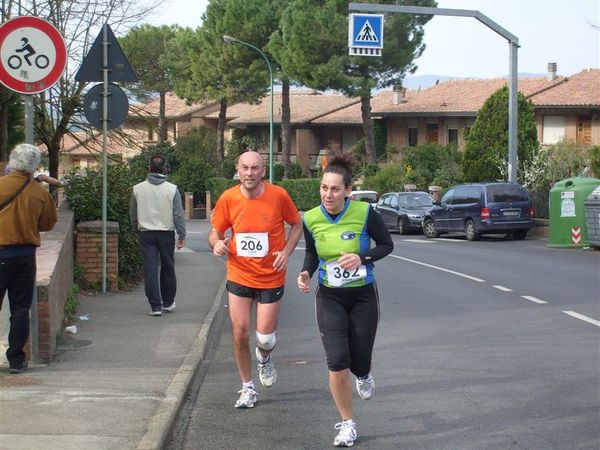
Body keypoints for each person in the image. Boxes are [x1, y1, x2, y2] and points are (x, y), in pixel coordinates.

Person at [297, 154, 393, 447]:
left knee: (359, 359)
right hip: (329, 296)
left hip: (363, 295)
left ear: (348, 191)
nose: (328, 194)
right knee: (337, 360)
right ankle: (348, 423)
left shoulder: (365, 214)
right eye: (324, 188)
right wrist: (305, 272)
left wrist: (361, 257)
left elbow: (387, 245)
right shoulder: (311, 218)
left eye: (335, 189)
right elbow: (312, 253)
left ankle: (363, 374)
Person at [208, 151, 302, 409]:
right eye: (245, 168)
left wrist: (286, 251)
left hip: (271, 276)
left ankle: (264, 358)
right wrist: (216, 244)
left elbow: (296, 224)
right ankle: (247, 387)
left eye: (255, 168)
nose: (249, 173)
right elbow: (215, 232)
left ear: (263, 171)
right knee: (239, 333)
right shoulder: (228, 198)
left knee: (265, 339)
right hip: (239, 273)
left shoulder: (278, 196)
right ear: (237, 170)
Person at [0, 143, 57, 374]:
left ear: (12, 162)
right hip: (24, 256)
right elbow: (48, 224)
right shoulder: (40, 193)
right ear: (34, 166)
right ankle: (16, 360)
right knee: (21, 309)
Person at [130, 155, 186, 316]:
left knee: (150, 269)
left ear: (149, 169)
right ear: (165, 169)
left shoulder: (137, 189)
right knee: (168, 268)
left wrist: (136, 230)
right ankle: (168, 302)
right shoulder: (172, 189)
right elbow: (178, 215)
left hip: (146, 234)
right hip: (166, 234)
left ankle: (155, 306)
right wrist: (181, 235)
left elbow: (133, 214)